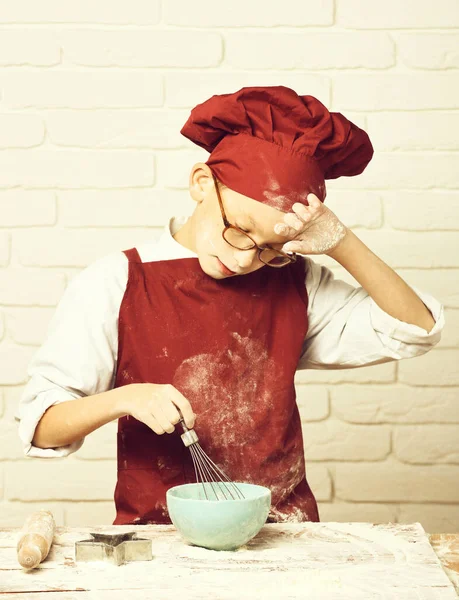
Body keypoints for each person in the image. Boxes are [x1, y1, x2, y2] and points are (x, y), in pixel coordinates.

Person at [16, 86, 445, 525]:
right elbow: (42, 428)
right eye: (240, 229)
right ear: (202, 184)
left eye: (271, 248)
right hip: (162, 542)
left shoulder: (295, 281)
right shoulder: (119, 281)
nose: (244, 259)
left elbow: (415, 329)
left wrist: (342, 245)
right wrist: (126, 398)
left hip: (286, 533)